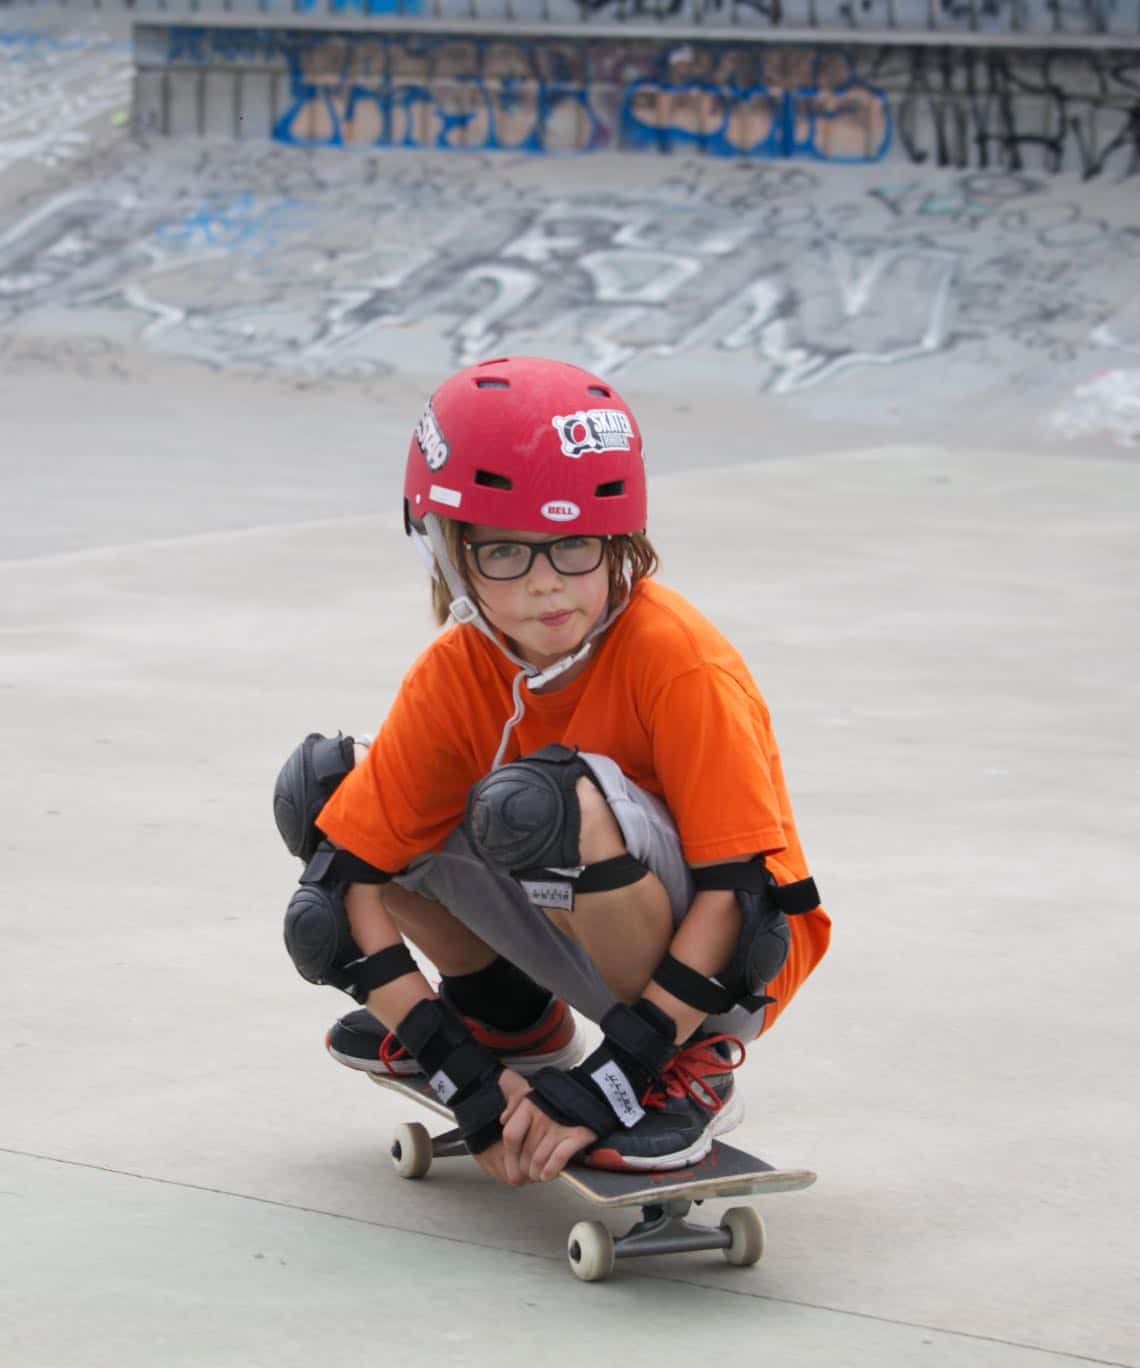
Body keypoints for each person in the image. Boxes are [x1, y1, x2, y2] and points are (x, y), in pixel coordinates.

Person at [272, 356, 829, 1187]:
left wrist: (613, 1082)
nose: (545, 585)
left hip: (721, 972)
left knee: (552, 802)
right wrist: (466, 1074)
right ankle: (504, 1017)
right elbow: (340, 896)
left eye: (573, 546)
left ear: (617, 542)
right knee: (328, 793)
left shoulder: (677, 660)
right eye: (505, 552)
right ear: (450, 554)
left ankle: (689, 1067)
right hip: (578, 927)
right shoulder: (458, 671)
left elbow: (741, 899)